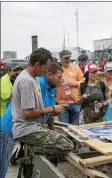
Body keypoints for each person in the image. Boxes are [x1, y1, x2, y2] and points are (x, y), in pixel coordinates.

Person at [11, 48, 74, 176]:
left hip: (33, 127)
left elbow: (37, 108)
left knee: (54, 146)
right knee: (67, 144)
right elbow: (28, 113)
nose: (47, 71)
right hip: (27, 130)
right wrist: (52, 109)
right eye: (46, 68)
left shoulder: (33, 78)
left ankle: (27, 153)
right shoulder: (26, 81)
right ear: (37, 64)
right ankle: (26, 148)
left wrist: (50, 112)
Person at [0, 68, 22, 178]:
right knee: (3, 158)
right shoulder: (4, 81)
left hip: (7, 122)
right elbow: (5, 96)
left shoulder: (14, 85)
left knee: (4, 158)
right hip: (6, 124)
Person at [56, 50, 85, 125]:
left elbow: (83, 81)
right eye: (65, 58)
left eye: (68, 58)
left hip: (75, 102)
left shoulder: (76, 68)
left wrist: (74, 83)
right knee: (64, 127)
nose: (67, 60)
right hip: (62, 103)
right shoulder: (56, 68)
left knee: (75, 128)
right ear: (60, 58)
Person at [37, 62, 64, 130]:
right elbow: (33, 112)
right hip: (14, 129)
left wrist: (55, 111)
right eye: (59, 77)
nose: (61, 80)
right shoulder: (39, 84)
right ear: (49, 75)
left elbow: (50, 112)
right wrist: (53, 109)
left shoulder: (52, 86)